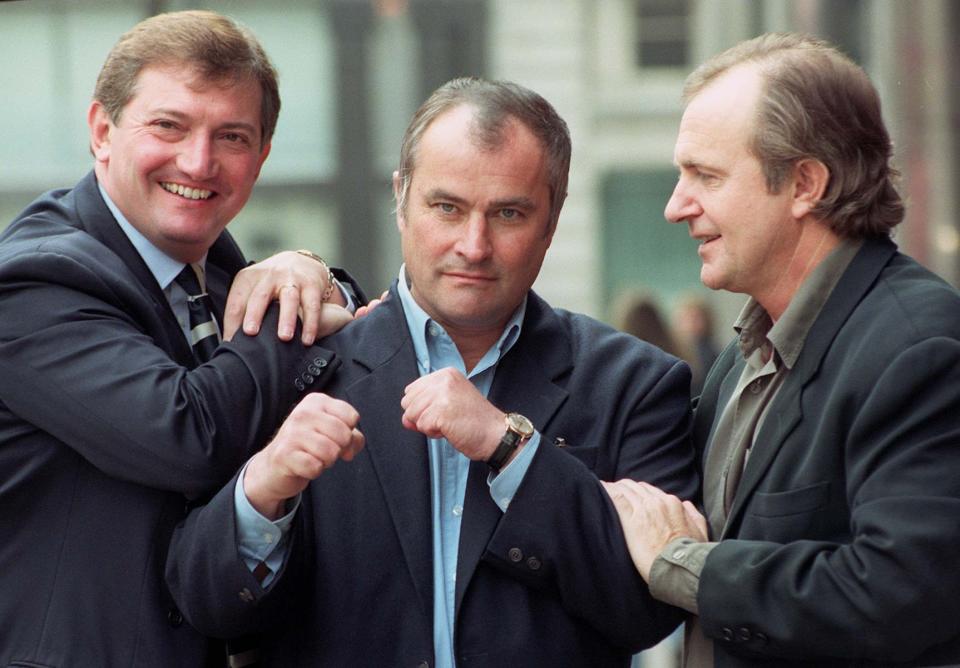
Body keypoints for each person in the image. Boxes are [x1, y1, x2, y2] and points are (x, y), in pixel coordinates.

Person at [166, 77, 700, 667]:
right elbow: (204, 605)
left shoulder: (637, 383)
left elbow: (649, 610)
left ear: (551, 221)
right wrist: (263, 490)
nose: (474, 245)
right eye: (447, 207)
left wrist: (512, 449)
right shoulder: (296, 364)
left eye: (509, 213)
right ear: (401, 199)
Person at [0, 10, 363, 667]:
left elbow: (344, 335)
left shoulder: (228, 275)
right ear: (102, 131)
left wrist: (317, 281)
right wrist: (295, 302)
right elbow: (190, 436)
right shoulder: (31, 281)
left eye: (231, 136)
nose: (199, 161)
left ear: (262, 157)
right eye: (169, 126)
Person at [604, 32, 960, 667]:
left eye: (705, 176)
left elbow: (899, 593)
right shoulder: (743, 353)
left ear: (804, 184)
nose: (675, 206)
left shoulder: (920, 344)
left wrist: (684, 566)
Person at [672, 294, 719, 396]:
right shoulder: (673, 351)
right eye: (686, 318)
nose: (691, 323)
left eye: (696, 318)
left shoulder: (711, 353)